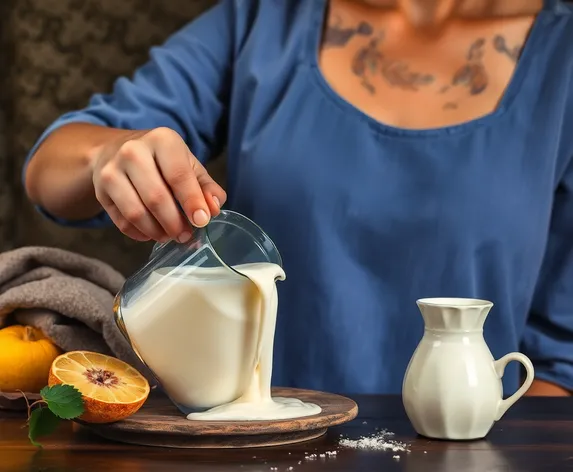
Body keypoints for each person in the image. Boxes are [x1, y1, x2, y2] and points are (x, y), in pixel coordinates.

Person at [23, 0, 573, 396]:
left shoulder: (561, 57)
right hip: (253, 439)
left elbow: (560, 361)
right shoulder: (263, 20)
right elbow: (49, 169)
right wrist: (109, 155)